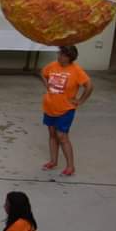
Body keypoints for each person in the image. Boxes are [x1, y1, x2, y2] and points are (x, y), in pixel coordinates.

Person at [41, 45, 92, 176]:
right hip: (49, 107)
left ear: (70, 57)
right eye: (59, 54)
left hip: (65, 109)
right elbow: (43, 73)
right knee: (52, 134)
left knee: (62, 136)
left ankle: (70, 166)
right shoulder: (52, 65)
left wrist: (80, 100)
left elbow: (89, 86)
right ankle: (53, 161)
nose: (59, 57)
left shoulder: (76, 70)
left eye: (62, 55)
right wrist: (47, 86)